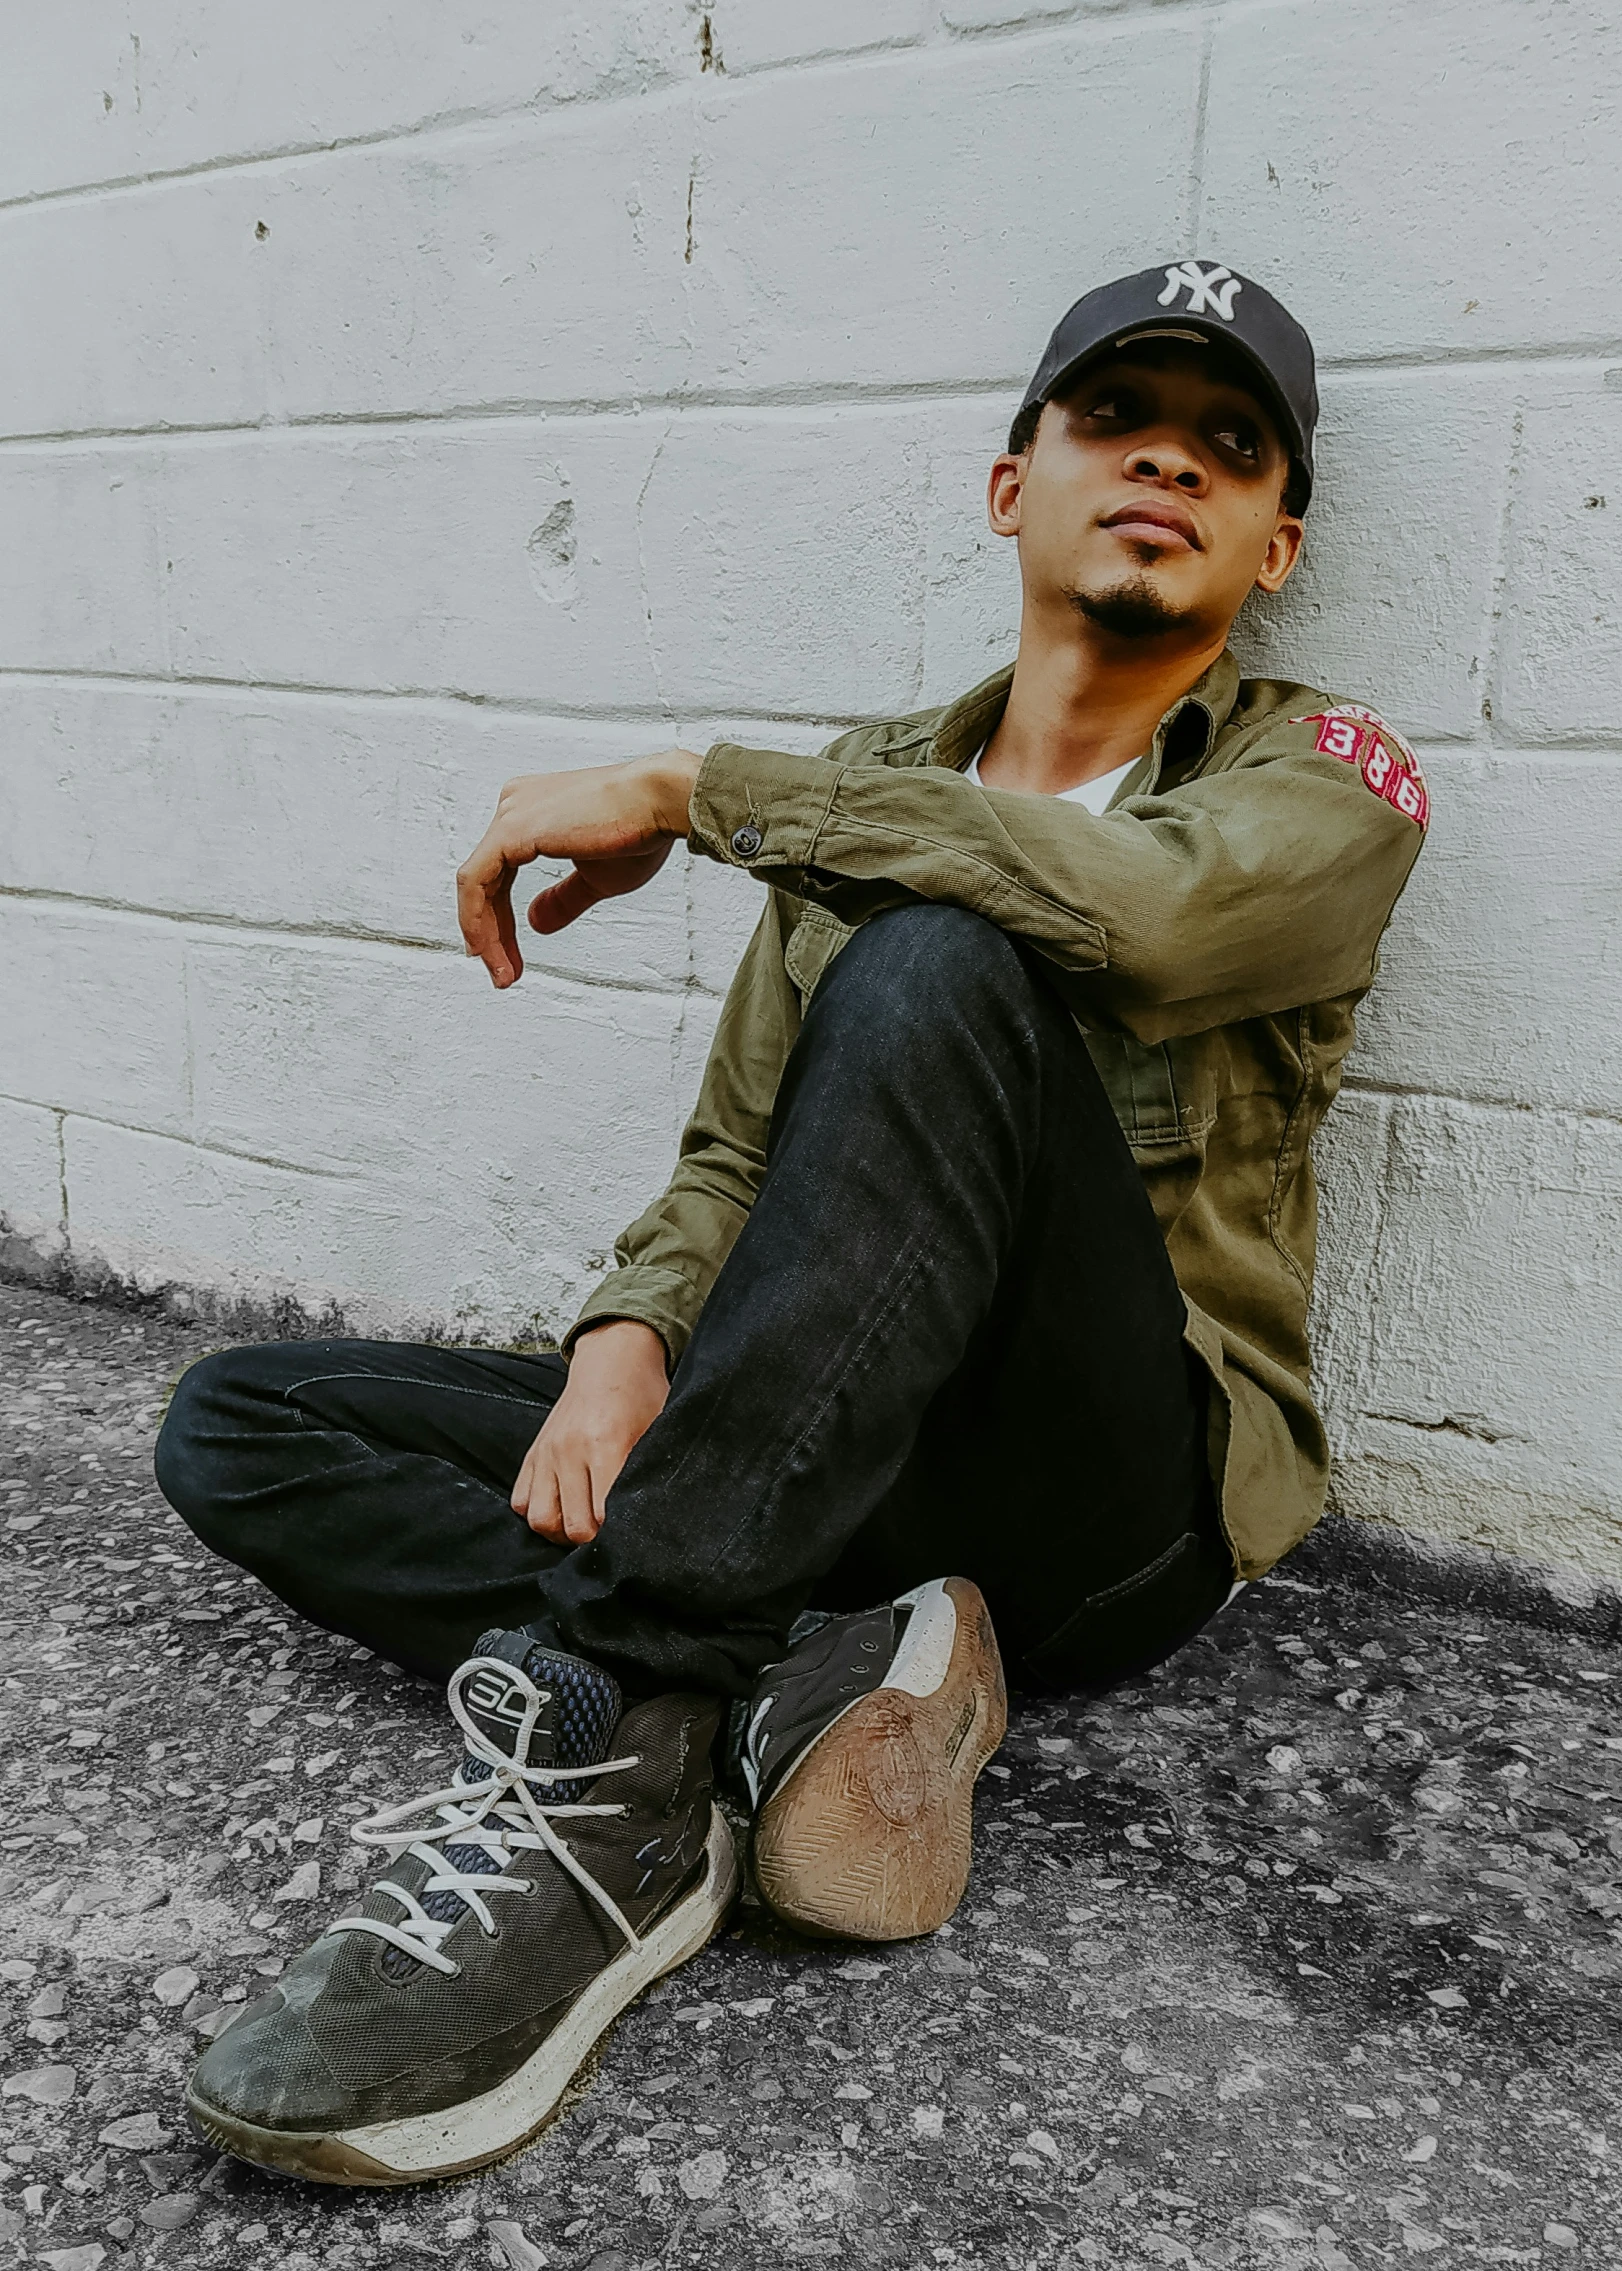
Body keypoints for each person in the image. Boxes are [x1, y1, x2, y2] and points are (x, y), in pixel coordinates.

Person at [157, 260, 1429, 2186]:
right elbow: (731, 1157)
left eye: (1230, 447)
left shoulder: (1326, 779)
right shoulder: (862, 784)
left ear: (1274, 545)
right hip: (825, 1458)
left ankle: (625, 1751)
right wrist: (624, 1347)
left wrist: (692, 786)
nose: (1168, 455)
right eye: (1114, 419)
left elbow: (1147, 917)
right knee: (244, 1415)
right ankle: (807, 1691)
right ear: (1012, 487)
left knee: (929, 961)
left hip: (1110, 1494)